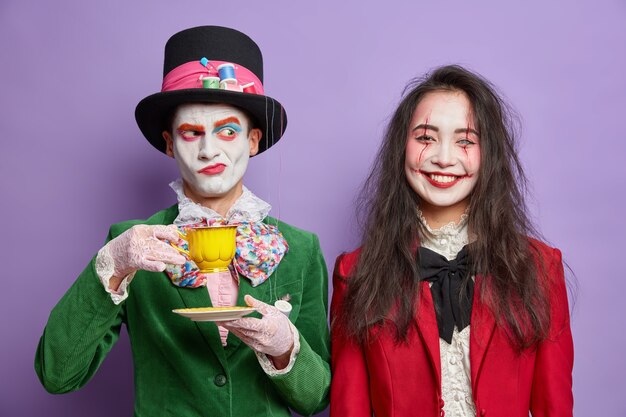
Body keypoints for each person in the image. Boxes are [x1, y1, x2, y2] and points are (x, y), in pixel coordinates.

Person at [35, 26, 330, 417]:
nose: (209, 150)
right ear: (170, 143)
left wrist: (284, 346)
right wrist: (110, 266)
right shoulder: (131, 243)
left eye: (227, 131)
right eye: (192, 133)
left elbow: (318, 398)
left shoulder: (302, 248)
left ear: (253, 140)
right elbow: (58, 375)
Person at [330, 65, 573, 417]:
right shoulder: (354, 273)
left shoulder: (539, 266)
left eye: (465, 140)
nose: (444, 157)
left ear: (489, 153)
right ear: (402, 147)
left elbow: (555, 408)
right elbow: (349, 410)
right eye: (426, 137)